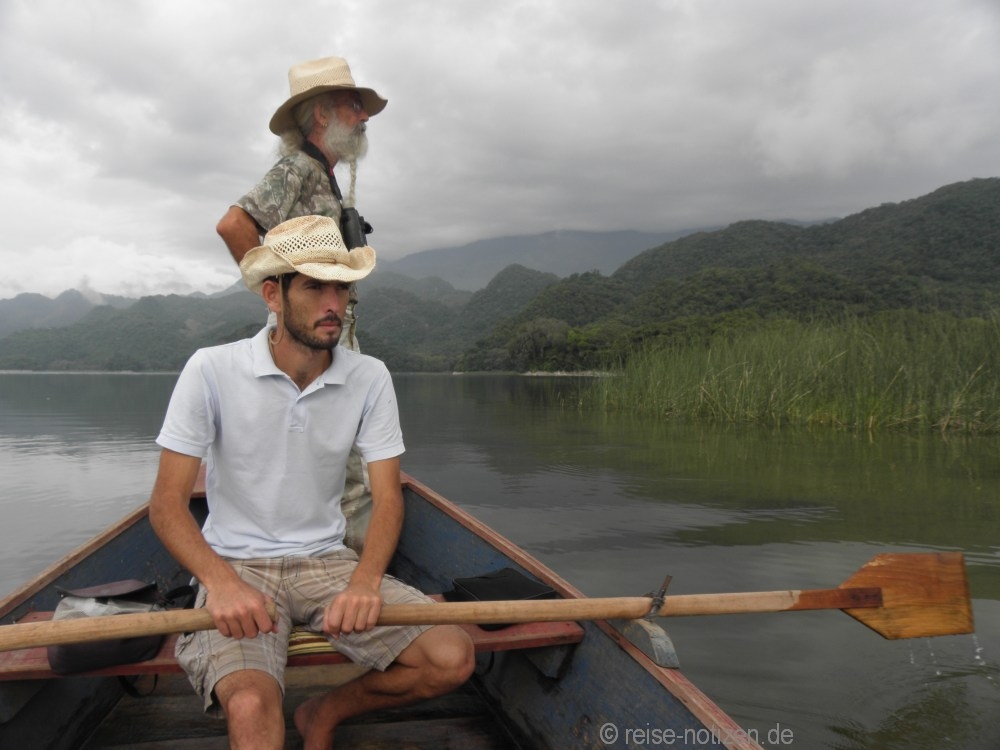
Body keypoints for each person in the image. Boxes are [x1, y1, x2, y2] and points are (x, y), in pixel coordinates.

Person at [149, 215, 475, 750]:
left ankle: (324, 711)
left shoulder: (369, 377)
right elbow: (166, 505)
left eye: (341, 288)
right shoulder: (211, 370)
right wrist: (222, 584)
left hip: (329, 562)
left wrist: (366, 580)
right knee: (250, 705)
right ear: (272, 295)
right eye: (314, 287)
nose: (333, 304)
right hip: (238, 564)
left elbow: (387, 498)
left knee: (451, 657)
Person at [216, 55, 386, 551]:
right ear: (322, 115)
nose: (363, 116)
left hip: (332, 333)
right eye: (353, 105)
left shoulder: (325, 174)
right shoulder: (298, 168)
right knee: (353, 457)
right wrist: (275, 298)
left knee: (335, 444)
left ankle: (331, 554)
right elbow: (234, 225)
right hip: (316, 335)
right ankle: (351, 564)